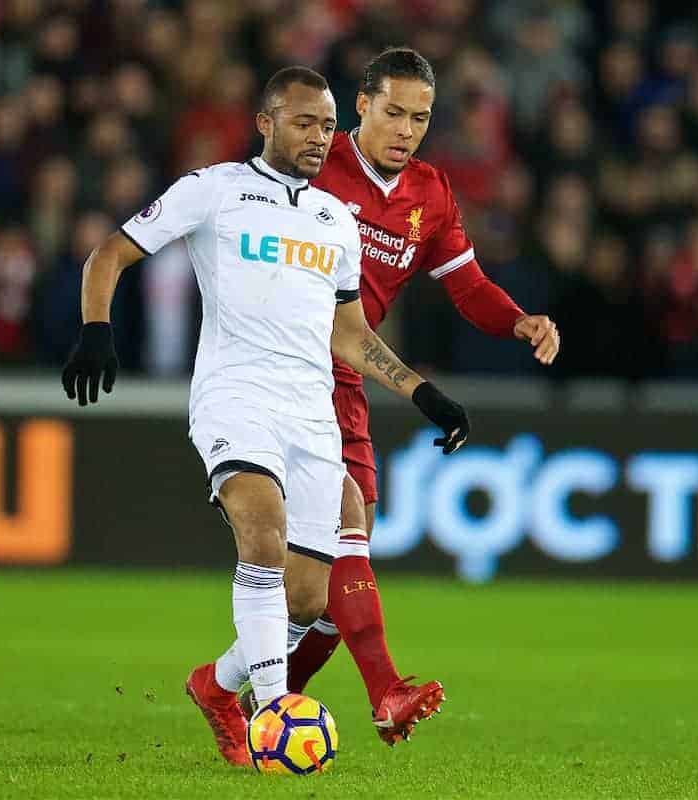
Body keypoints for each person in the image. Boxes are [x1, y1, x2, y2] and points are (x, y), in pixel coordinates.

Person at [59, 66, 470, 767]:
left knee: (308, 600)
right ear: (268, 122)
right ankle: (274, 718)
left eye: (328, 125)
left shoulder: (333, 221)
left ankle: (218, 686)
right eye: (305, 122)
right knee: (263, 538)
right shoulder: (213, 191)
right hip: (235, 397)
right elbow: (111, 252)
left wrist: (421, 392)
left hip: (312, 416)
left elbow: (349, 332)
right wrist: (97, 328)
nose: (320, 138)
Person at [285, 47, 560, 745]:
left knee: (328, 590)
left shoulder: (430, 195)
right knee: (345, 535)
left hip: (346, 374)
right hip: (282, 366)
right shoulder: (313, 167)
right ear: (363, 106)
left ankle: (255, 694)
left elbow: (466, 285)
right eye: (396, 112)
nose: (407, 129)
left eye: (422, 117)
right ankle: (385, 693)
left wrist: (517, 320)